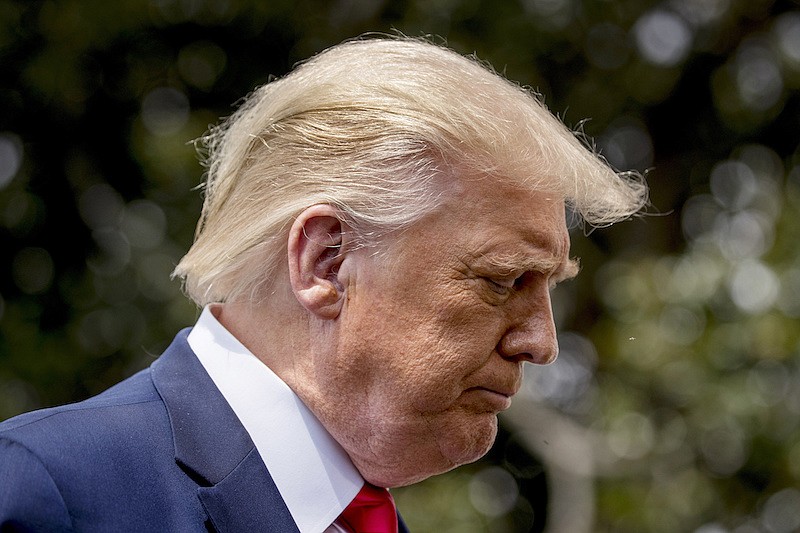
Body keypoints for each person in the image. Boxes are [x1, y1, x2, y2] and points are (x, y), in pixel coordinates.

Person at [0, 36, 647, 532]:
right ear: (327, 261)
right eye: (504, 280)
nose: (542, 343)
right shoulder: (46, 490)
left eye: (549, 285)